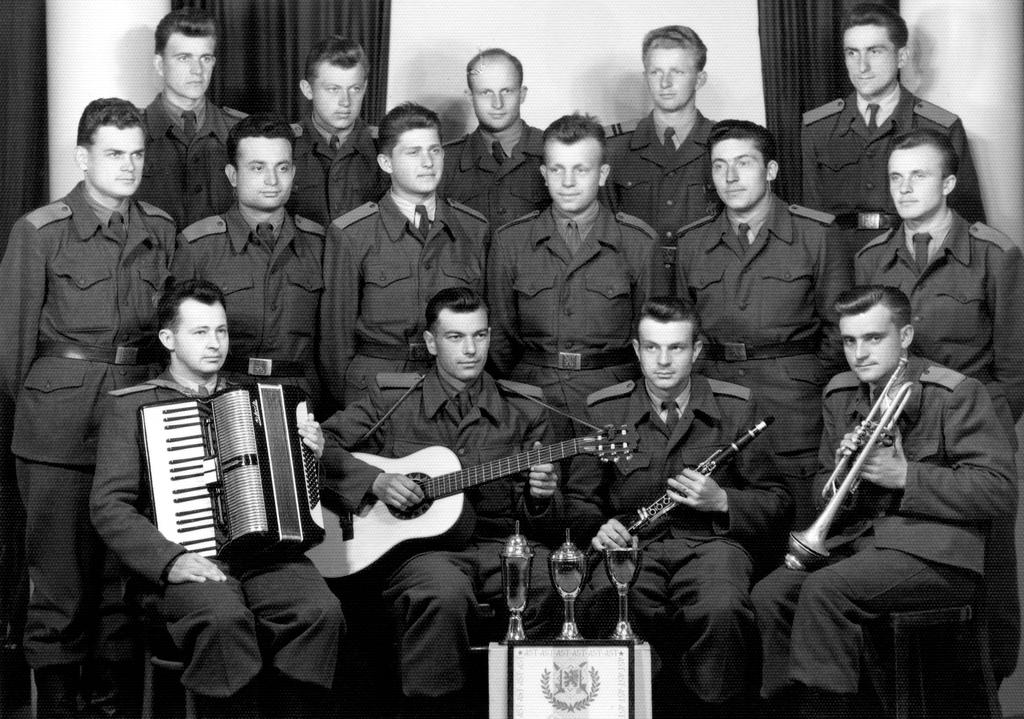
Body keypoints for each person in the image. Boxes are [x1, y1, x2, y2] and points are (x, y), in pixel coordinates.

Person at [90, 279, 354, 719]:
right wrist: (170, 560)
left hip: (265, 558)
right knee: (222, 619)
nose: (215, 344)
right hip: (181, 562)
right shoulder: (131, 406)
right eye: (200, 332)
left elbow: (294, 492)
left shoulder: (258, 400)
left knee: (320, 611)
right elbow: (109, 506)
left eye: (222, 331)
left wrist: (313, 454)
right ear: (168, 339)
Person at [751, 285, 1016, 719]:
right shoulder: (840, 395)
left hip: (938, 556)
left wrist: (905, 475)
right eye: (850, 340)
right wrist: (844, 476)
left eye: (874, 338)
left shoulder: (954, 393)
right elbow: (823, 488)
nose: (859, 353)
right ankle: (798, 709)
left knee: (824, 591)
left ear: (906, 335)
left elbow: (998, 489)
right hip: (863, 546)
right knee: (772, 594)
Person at [0, 98, 176, 718]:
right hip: (58, 426)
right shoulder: (40, 231)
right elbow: (12, 351)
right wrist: (55, 406)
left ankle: (109, 702)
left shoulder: (160, 228)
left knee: (119, 580)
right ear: (82, 157)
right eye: (113, 154)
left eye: (137, 154)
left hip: (136, 417)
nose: (129, 167)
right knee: (59, 578)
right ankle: (55, 707)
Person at [321, 287, 562, 718]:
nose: (471, 349)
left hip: (502, 547)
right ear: (431, 343)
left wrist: (541, 498)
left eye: (480, 335)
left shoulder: (526, 410)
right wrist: (375, 481)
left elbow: (544, 524)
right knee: (442, 594)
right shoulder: (391, 401)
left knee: (553, 583)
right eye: (455, 337)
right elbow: (319, 448)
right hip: (423, 556)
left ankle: (533, 707)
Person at [569, 297, 790, 719]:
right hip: (634, 549)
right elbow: (580, 501)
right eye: (652, 348)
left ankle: (712, 707)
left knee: (722, 609)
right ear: (636, 351)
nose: (664, 361)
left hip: (713, 547)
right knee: (609, 605)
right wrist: (601, 528)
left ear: (697, 351)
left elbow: (778, 501)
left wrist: (722, 500)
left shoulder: (738, 406)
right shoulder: (604, 410)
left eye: (676, 348)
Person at [854, 127, 1024, 676]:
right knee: (902, 561)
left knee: (989, 570)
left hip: (976, 435)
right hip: (897, 438)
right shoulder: (872, 259)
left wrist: (981, 431)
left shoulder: (995, 255)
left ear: (949, 182)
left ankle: (988, 683)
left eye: (919, 176)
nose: (904, 189)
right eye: (896, 178)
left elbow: (1016, 367)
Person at [675, 120, 850, 529]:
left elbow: (839, 335)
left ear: (771, 170)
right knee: (722, 539)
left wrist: (800, 381)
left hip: (794, 413)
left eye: (743, 163)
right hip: (717, 408)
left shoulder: (816, 235)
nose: (730, 177)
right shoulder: (692, 243)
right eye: (719, 166)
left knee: (801, 539)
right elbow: (683, 336)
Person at [488, 113, 657, 431]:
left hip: (613, 395)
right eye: (557, 169)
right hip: (533, 394)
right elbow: (499, 337)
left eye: (581, 170)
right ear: (544, 174)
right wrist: (523, 385)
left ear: (603, 174)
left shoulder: (638, 242)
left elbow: (650, 336)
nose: (567, 182)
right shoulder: (510, 241)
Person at [319, 102, 488, 407]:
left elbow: (488, 327)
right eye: (413, 152)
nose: (428, 162)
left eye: (434, 151)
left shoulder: (474, 229)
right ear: (386, 162)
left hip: (452, 389)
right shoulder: (351, 234)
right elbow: (335, 342)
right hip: (376, 392)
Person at [801, 2, 983, 261]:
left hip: (915, 259)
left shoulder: (940, 127)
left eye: (874, 51)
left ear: (902, 57)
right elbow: (812, 218)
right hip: (840, 262)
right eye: (852, 53)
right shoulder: (818, 127)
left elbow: (967, 220)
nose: (861, 66)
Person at [172, 114, 328, 412]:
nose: (272, 180)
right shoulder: (198, 246)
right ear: (232, 175)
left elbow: (332, 342)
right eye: (257, 168)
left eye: (282, 168)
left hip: (299, 400)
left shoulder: (319, 245)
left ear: (293, 173)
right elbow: (176, 343)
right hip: (219, 397)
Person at [604, 25, 718, 284]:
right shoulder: (615, 150)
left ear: (700, 79)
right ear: (646, 77)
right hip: (637, 285)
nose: (665, 83)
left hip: (706, 284)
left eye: (677, 72)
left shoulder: (723, 146)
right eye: (656, 72)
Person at [137, 7, 245, 228]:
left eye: (205, 58)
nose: (197, 70)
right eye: (184, 58)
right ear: (159, 65)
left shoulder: (241, 131)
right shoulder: (131, 132)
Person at [438, 48, 548, 228]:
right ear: (470, 96)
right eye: (486, 92)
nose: (497, 104)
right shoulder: (445, 162)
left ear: (522, 94)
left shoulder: (554, 153)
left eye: (506, 91)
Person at [287, 35, 387, 227]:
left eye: (355, 89)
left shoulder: (384, 147)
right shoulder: (285, 145)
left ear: (365, 88)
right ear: (307, 90)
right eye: (333, 89)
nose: (345, 102)